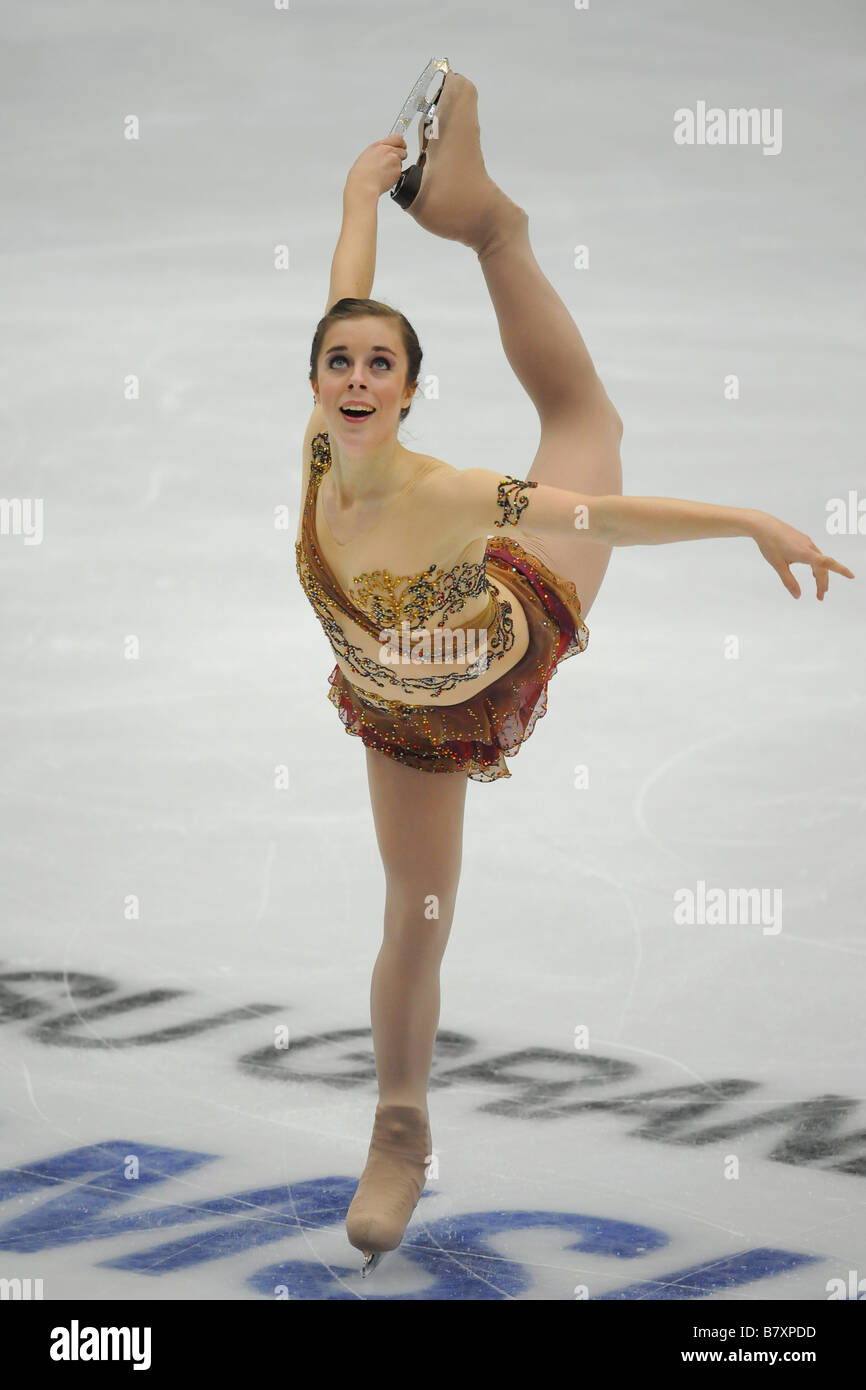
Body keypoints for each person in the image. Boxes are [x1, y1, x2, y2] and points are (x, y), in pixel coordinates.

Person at [295, 70, 853, 1275]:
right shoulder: (313, 449)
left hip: (508, 627)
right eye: (338, 360)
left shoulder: (445, 490)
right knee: (417, 914)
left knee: (579, 416)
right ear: (316, 382)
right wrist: (358, 194)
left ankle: (492, 224)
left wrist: (749, 519)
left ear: (404, 389)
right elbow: (348, 284)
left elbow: (599, 514)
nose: (354, 376)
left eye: (377, 365)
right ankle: (399, 1125)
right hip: (404, 709)